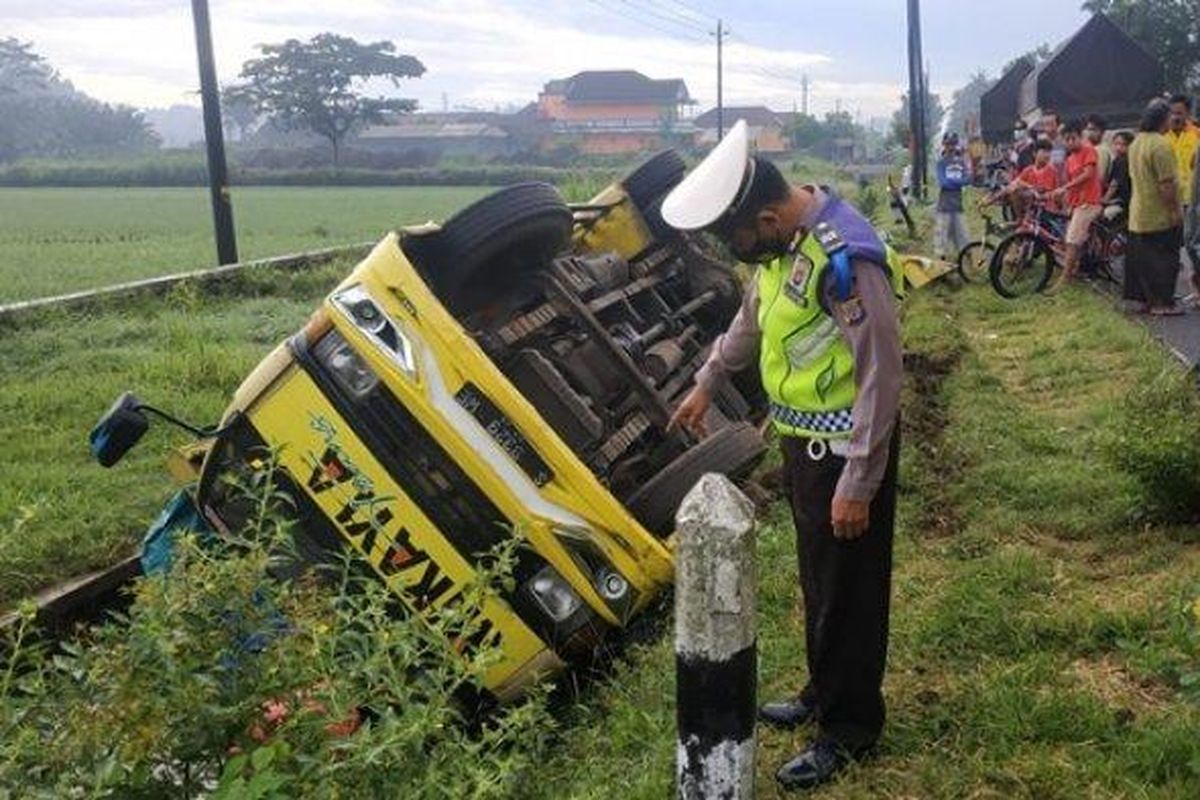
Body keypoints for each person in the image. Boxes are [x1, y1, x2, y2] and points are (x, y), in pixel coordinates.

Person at [661, 120, 904, 792]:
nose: (741, 255)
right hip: (805, 447)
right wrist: (708, 380)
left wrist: (858, 479)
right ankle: (824, 691)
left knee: (851, 590)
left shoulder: (845, 256)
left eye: (739, 241)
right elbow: (752, 317)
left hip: (847, 451)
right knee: (820, 579)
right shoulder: (780, 251)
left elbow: (882, 374)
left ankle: (850, 729)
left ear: (767, 215)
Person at [1126, 99, 1184, 315]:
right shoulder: (1160, 144)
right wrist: (1174, 211)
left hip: (1138, 213)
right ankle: (1162, 304)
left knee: (1140, 262)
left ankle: (1145, 302)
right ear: (1162, 119)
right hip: (1157, 213)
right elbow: (1166, 184)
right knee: (1164, 260)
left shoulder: (1136, 142)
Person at [1051, 119, 1103, 284]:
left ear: (1080, 137)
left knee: (1072, 241)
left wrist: (1065, 187)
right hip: (1077, 203)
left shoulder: (1089, 151)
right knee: (1069, 237)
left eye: (1073, 138)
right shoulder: (1070, 158)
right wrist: (1067, 203)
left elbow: (1088, 174)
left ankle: (1065, 278)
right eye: (1067, 139)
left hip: (1090, 202)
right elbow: (1070, 184)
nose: (1070, 142)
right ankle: (1076, 269)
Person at [986, 140, 1058, 216]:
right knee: (1013, 188)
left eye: (1049, 152)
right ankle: (991, 200)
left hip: (1045, 207)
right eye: (1044, 152)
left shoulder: (1051, 170)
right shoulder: (1028, 170)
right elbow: (1015, 183)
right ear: (1034, 154)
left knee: (1018, 189)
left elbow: (1047, 191)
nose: (1047, 155)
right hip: (1030, 205)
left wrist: (1029, 187)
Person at [1166, 94, 1200, 241]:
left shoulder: (1197, 133)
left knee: (1191, 240)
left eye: (1179, 113)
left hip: (1193, 199)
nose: (1175, 117)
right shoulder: (1161, 135)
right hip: (1170, 198)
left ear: (1188, 113)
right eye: (1172, 113)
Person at [934, 133, 972, 261]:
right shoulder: (941, 163)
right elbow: (942, 182)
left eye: (953, 144)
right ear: (944, 145)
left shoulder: (961, 162)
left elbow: (968, 179)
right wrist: (958, 182)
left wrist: (952, 181)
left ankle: (967, 261)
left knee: (963, 236)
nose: (950, 147)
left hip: (958, 205)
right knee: (941, 238)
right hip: (944, 206)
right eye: (948, 144)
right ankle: (941, 263)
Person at [1102, 130, 1132, 223]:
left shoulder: (1122, 161)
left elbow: (1115, 183)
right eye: (1116, 144)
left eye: (1124, 145)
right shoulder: (1117, 160)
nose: (1119, 147)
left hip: (1123, 201)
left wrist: (1105, 199)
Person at [1084, 113, 1112, 190]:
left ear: (1102, 132)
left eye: (1094, 130)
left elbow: (1100, 178)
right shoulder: (1089, 148)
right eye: (1088, 129)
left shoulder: (1101, 150)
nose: (1090, 133)